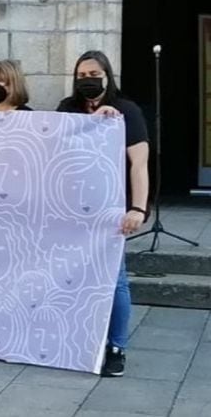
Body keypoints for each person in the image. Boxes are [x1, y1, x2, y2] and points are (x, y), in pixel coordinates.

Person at [57, 51, 149, 379]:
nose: (87, 79)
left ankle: (116, 347)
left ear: (107, 75)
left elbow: (139, 163)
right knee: (70, 275)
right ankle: (77, 337)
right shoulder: (68, 109)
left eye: (94, 73)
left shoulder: (127, 111)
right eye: (81, 74)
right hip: (71, 208)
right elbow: (53, 148)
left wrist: (138, 208)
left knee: (115, 279)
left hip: (111, 209)